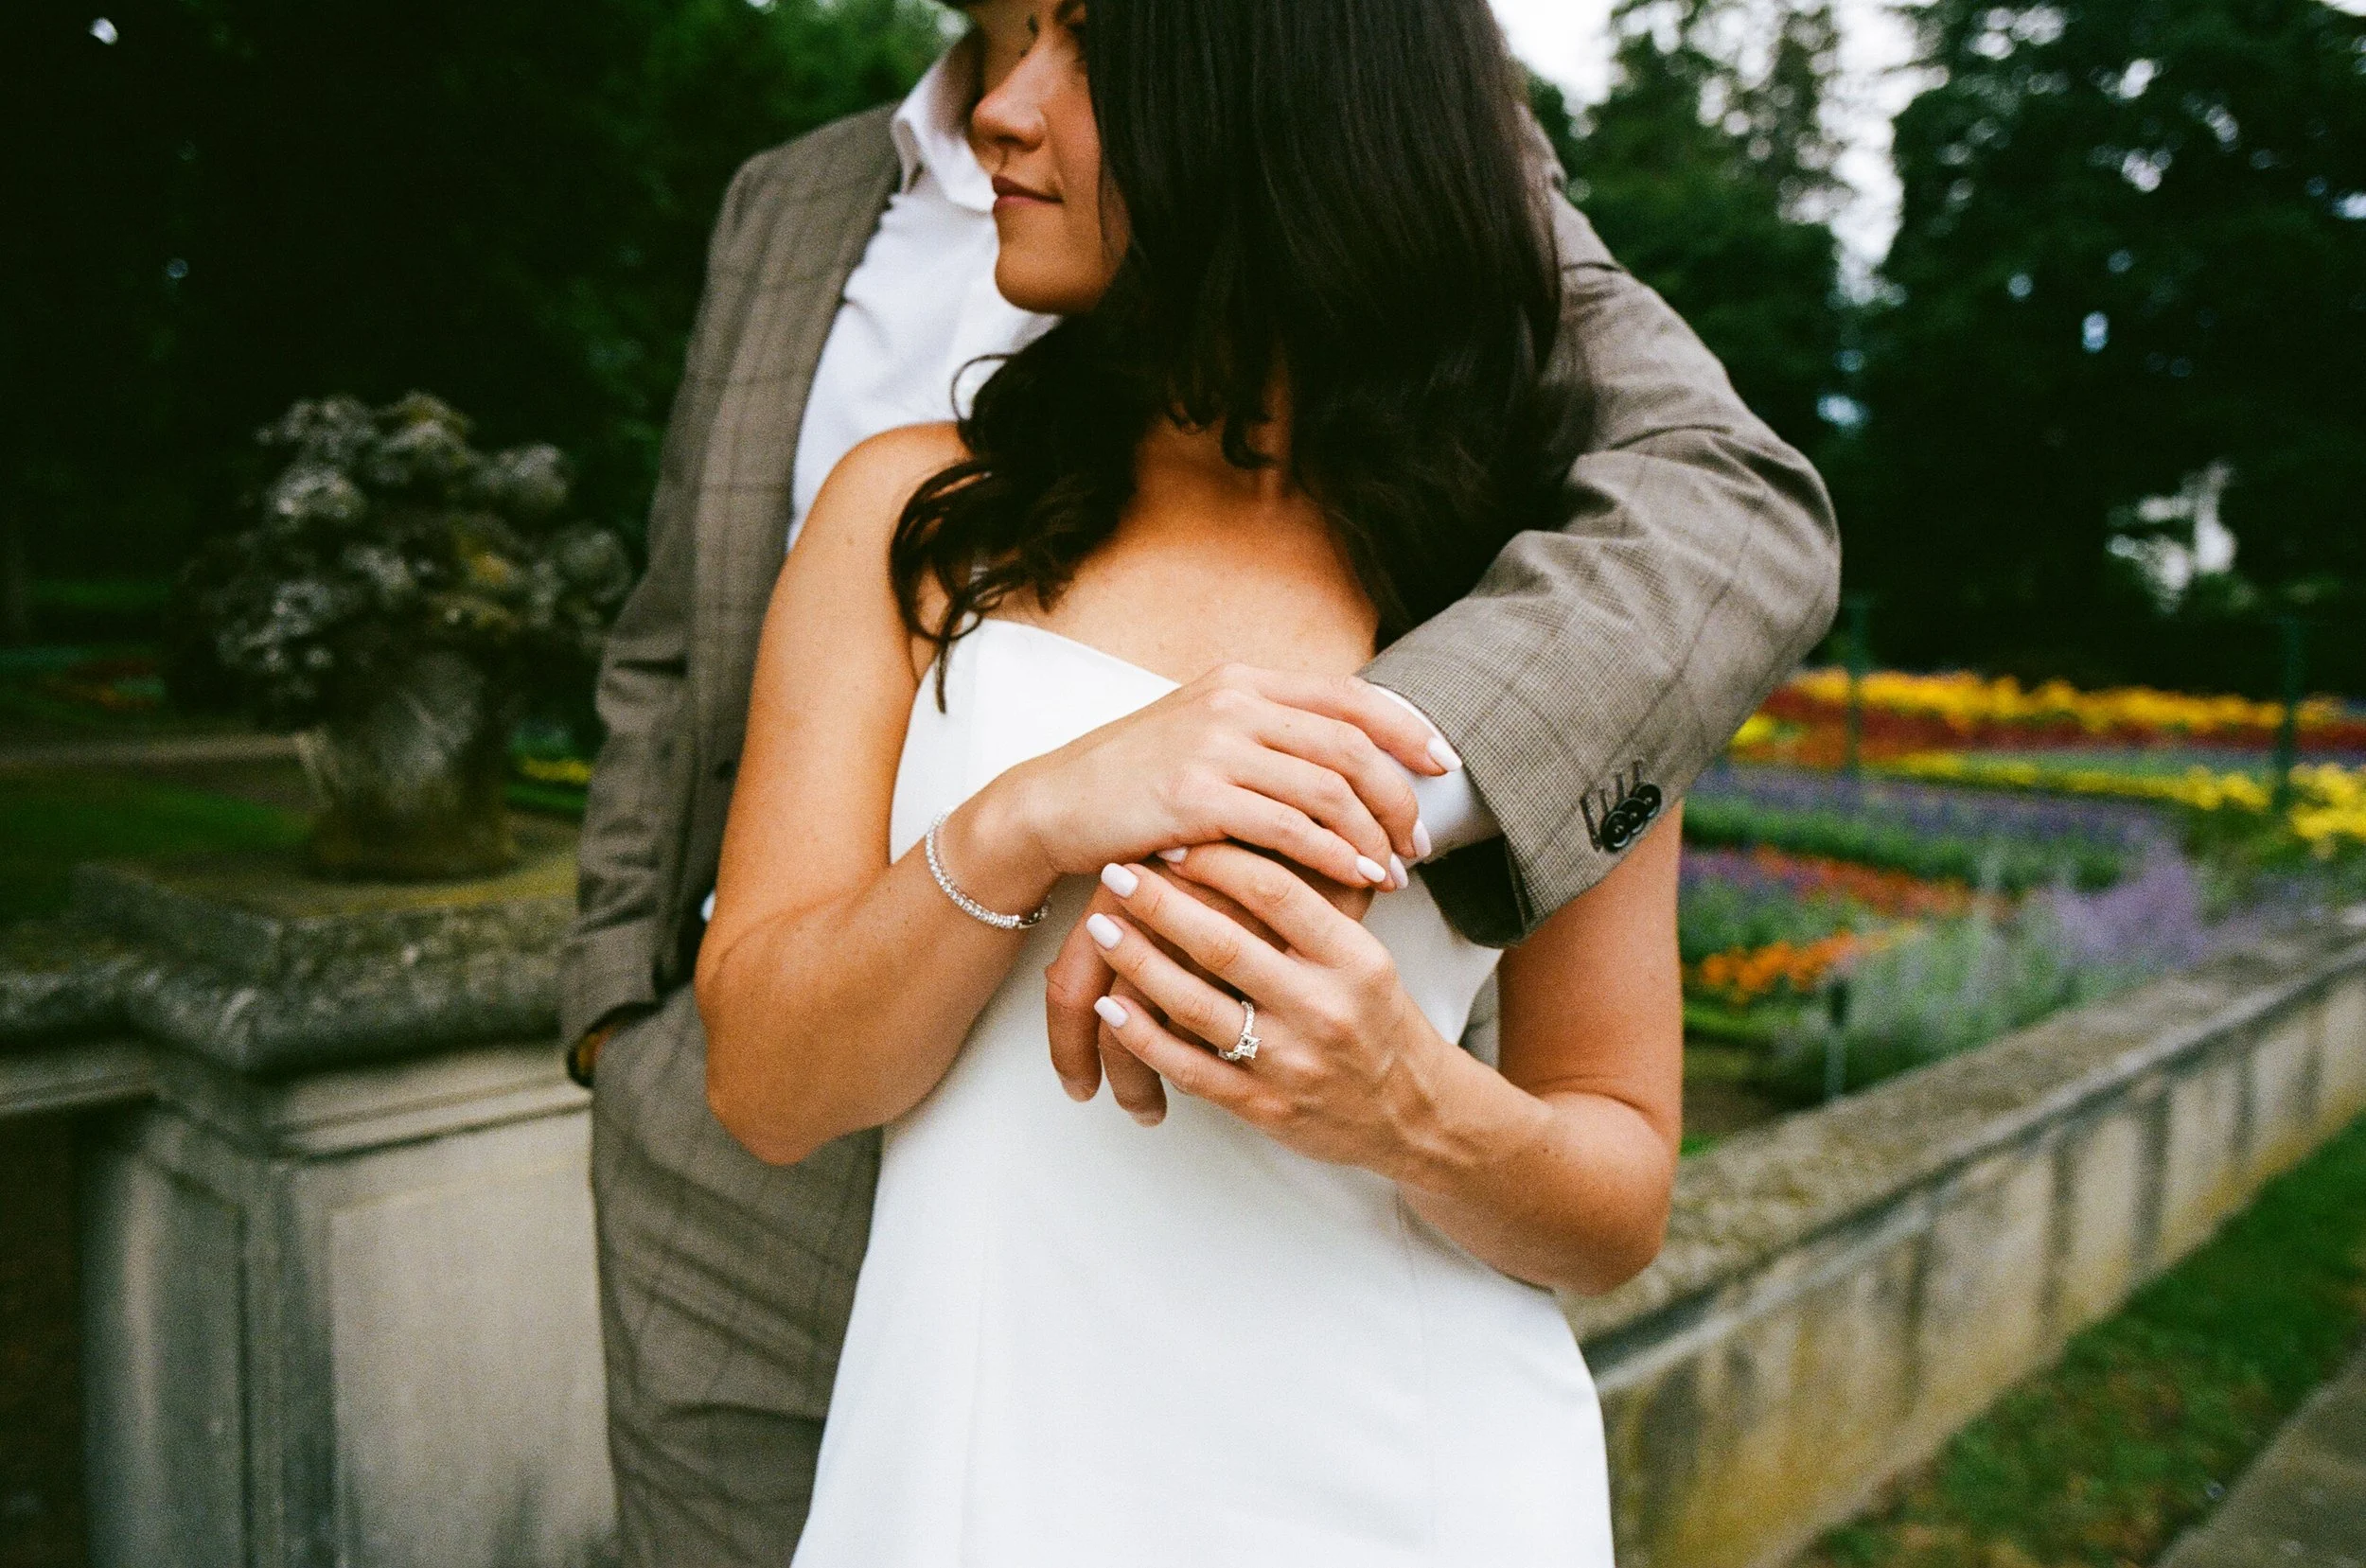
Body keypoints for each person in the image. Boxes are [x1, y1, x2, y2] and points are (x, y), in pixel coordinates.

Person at [563, 0, 1837, 1560]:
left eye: (1085, 52)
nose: (1000, 114)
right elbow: (763, 1086)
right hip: (980, 1471)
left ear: (1275, 101)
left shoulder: (1537, 599)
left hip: (1405, 1477)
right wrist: (1029, 816)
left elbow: (1617, 1195)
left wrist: (1411, 1108)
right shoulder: (915, 514)